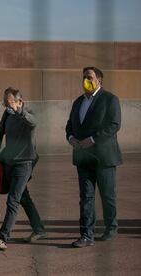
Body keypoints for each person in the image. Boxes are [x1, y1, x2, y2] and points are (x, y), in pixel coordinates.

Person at [65, 66, 122, 248]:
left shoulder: (110, 99)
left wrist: (92, 139)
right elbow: (69, 126)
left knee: (107, 195)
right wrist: (71, 138)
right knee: (86, 197)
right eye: (83, 77)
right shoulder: (78, 102)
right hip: (83, 158)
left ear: (99, 80)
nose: (85, 80)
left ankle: (111, 227)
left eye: (89, 77)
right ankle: (86, 235)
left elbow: (113, 125)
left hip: (104, 157)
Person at [0, 87, 46, 251]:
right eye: (4, 103)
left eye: (9, 103)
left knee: (13, 199)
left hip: (24, 163)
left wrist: (19, 111)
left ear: (20, 102)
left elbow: (33, 122)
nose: (6, 106)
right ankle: (39, 229)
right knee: (23, 198)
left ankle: (3, 237)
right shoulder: (7, 114)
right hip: (9, 162)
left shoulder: (28, 114)